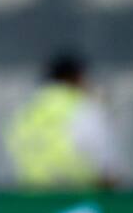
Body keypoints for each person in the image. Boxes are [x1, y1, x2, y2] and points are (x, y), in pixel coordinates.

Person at [6, 50, 121, 189]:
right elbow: (102, 157)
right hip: (77, 194)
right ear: (76, 77)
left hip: (31, 194)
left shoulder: (29, 109)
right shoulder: (81, 106)